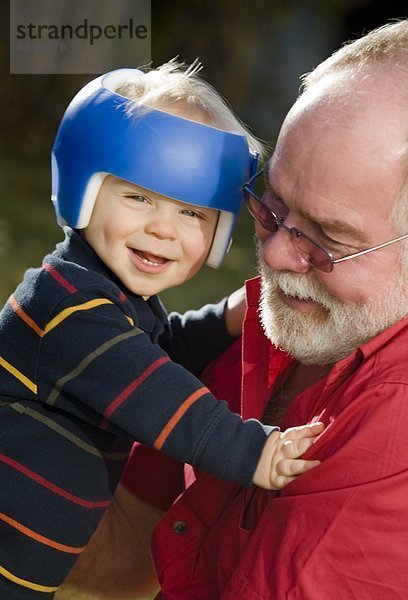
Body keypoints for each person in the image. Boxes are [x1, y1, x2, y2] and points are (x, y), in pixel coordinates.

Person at [60, 19, 408, 600]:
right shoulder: (275, 317)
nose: (272, 254)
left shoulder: (394, 424)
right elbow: (122, 554)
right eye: (272, 205)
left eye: (325, 238)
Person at [0, 61, 324, 598]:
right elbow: (155, 393)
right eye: (139, 197)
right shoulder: (66, 306)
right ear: (83, 184)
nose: (162, 227)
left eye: (193, 213)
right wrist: (254, 452)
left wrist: (225, 320)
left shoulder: (107, 302)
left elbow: (158, 351)